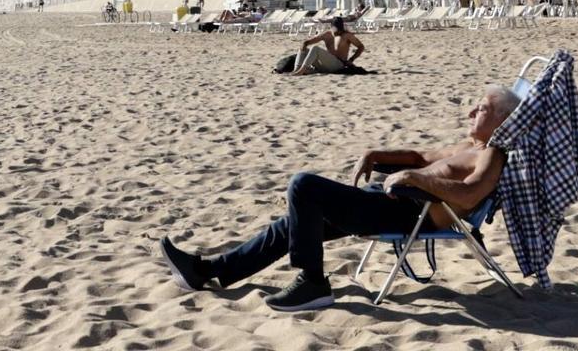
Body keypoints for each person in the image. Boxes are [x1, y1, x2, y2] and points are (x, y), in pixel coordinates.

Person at [159, 85, 521, 311]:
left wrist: (415, 179)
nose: (471, 111)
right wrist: (378, 153)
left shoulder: (490, 155)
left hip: (408, 213)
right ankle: (207, 271)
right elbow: (417, 156)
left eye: (482, 109)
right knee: (293, 223)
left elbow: (472, 193)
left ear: (503, 120)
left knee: (304, 186)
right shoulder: (465, 145)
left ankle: (313, 282)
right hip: (387, 201)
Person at [291, 16, 364, 75]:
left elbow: (361, 47)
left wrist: (351, 59)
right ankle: (297, 69)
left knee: (315, 48)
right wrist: (304, 44)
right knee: (304, 49)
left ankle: (301, 71)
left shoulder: (347, 35)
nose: (337, 33)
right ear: (331, 27)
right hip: (326, 65)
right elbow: (308, 42)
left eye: (339, 31)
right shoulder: (327, 34)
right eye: (335, 31)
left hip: (338, 64)